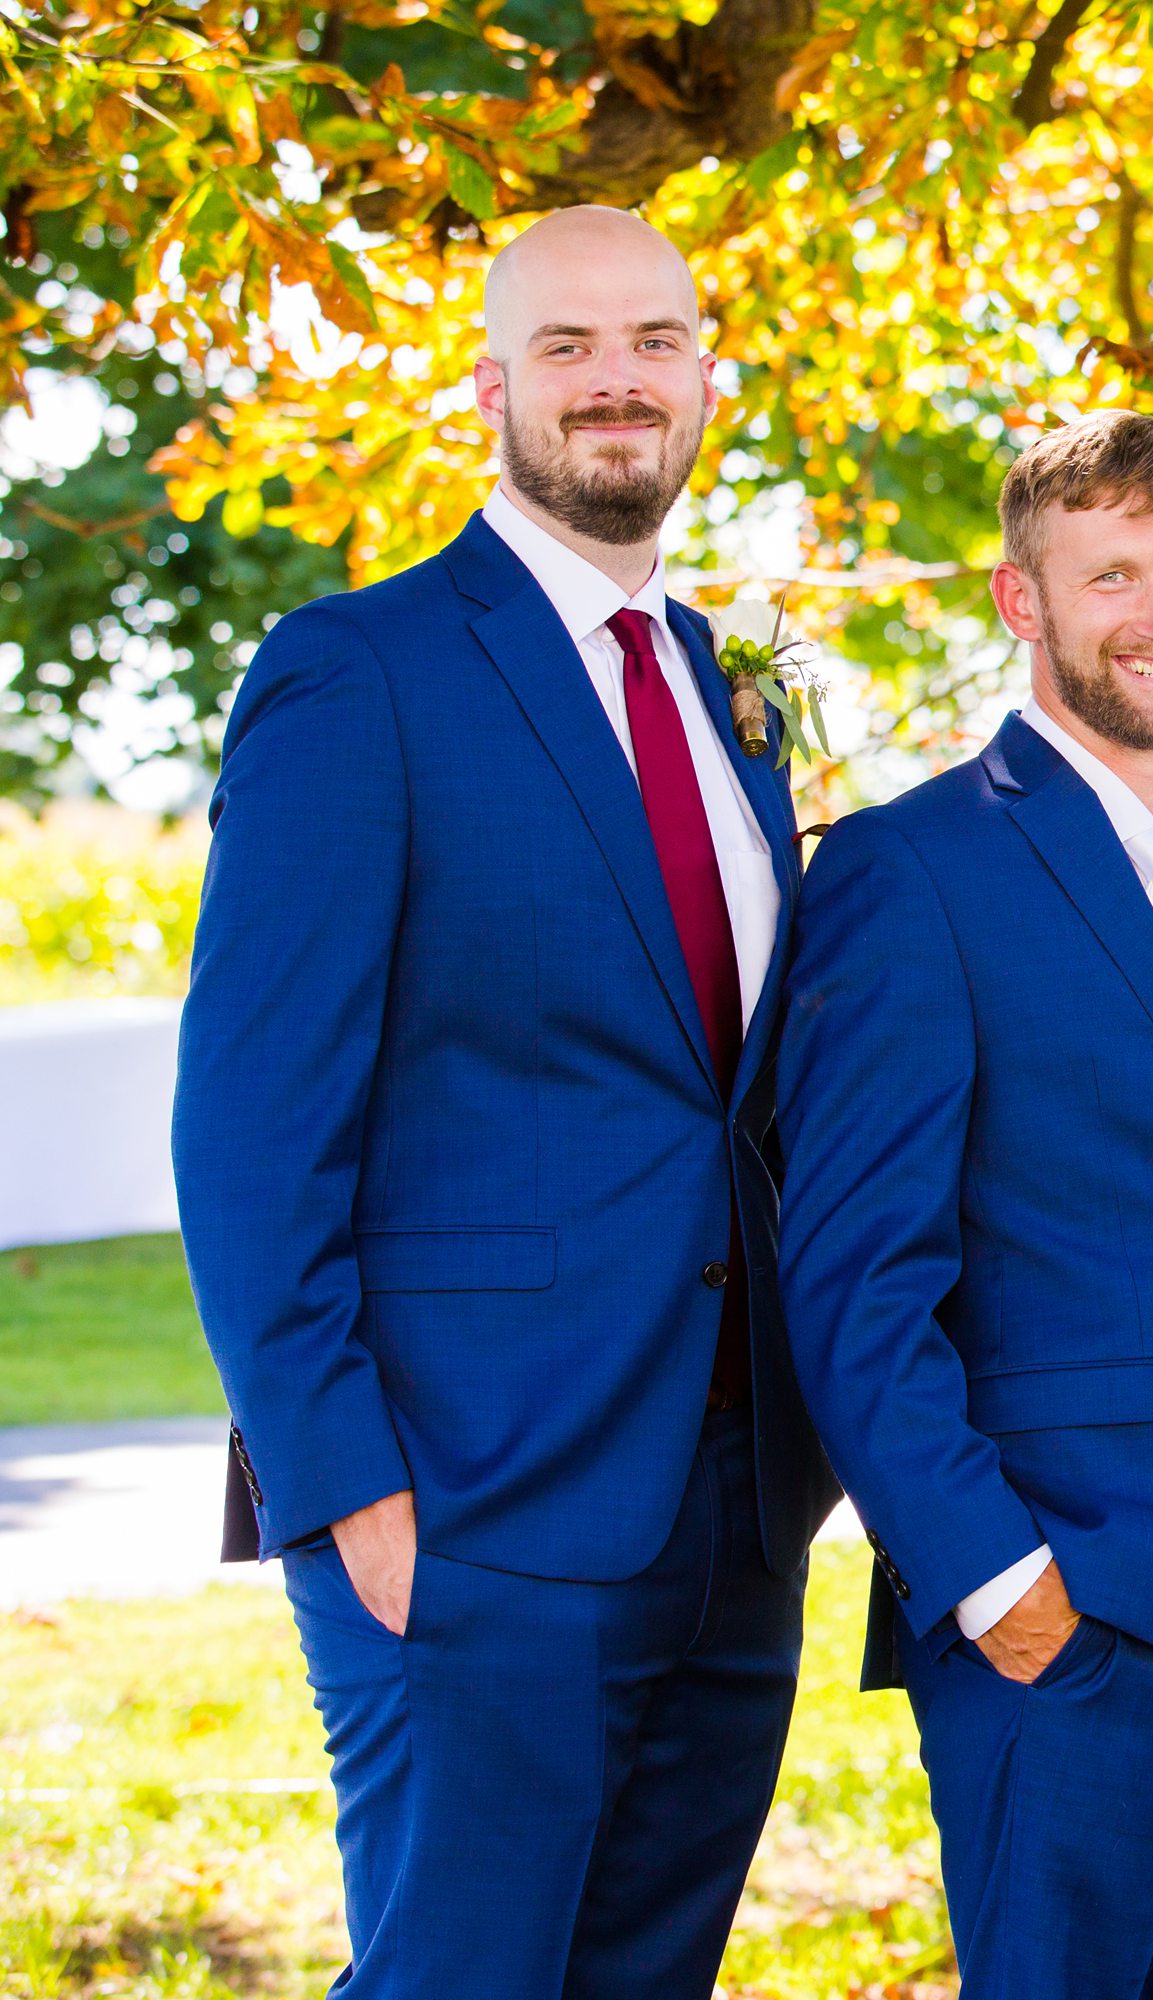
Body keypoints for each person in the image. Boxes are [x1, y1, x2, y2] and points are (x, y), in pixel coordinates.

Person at [173, 205, 838, 1997]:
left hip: (729, 1503)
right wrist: (343, 1495)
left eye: (653, 343)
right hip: (463, 1508)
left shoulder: (734, 695)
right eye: (567, 348)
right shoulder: (357, 675)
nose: (616, 382)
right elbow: (247, 1129)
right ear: (492, 387)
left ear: (706, 375)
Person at [770, 410, 1153, 1999]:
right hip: (1073, 1613)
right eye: (1114, 575)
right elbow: (852, 1278)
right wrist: (995, 1583)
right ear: (1021, 600)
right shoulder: (915, 872)